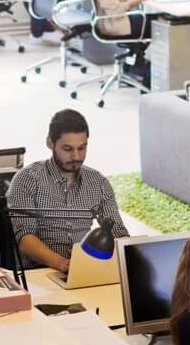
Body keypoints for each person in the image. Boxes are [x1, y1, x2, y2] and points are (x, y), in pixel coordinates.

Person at [7, 109, 129, 271]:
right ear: (50, 143)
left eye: (82, 148)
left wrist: (129, 254)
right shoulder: (27, 179)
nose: (76, 156)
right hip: (38, 272)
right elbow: (24, 239)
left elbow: (117, 231)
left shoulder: (98, 182)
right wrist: (63, 265)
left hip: (83, 269)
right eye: (68, 149)